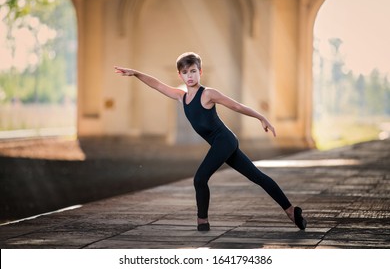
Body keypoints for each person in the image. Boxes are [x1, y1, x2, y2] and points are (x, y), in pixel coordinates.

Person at [114, 52, 307, 231]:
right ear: (180, 75)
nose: (190, 76)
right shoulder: (181, 97)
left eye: (193, 71)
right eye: (185, 72)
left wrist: (261, 118)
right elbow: (157, 84)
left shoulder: (207, 94)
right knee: (256, 176)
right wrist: (135, 73)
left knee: (200, 178)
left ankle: (202, 222)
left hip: (225, 141)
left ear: (200, 72)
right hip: (221, 144)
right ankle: (291, 211)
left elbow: (236, 106)